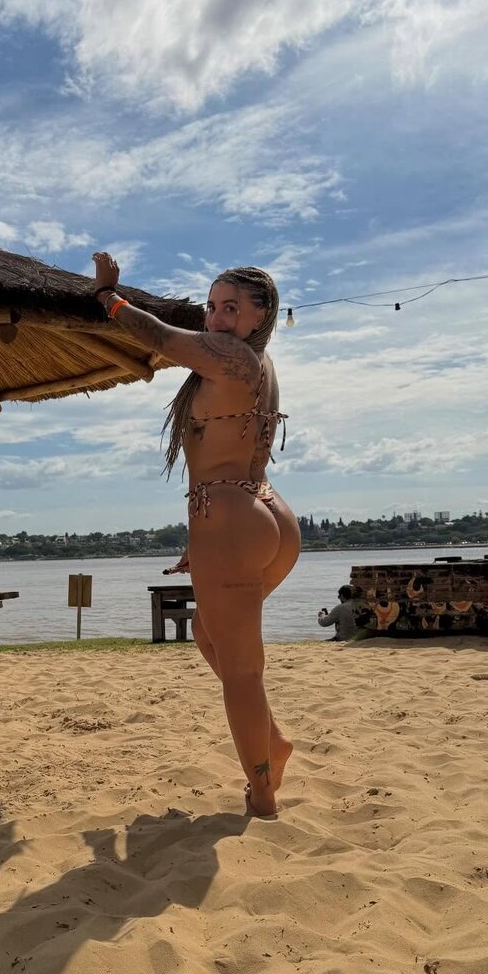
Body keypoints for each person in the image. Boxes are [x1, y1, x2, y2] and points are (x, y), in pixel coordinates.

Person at [92, 252, 301, 817]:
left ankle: (263, 791)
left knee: (241, 670)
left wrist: (109, 296)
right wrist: (201, 545)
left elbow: (160, 336)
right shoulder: (259, 364)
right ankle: (271, 740)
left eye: (230, 308)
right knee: (210, 635)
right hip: (262, 513)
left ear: (261, 316)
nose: (215, 318)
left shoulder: (233, 356)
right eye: (211, 307)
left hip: (232, 519)